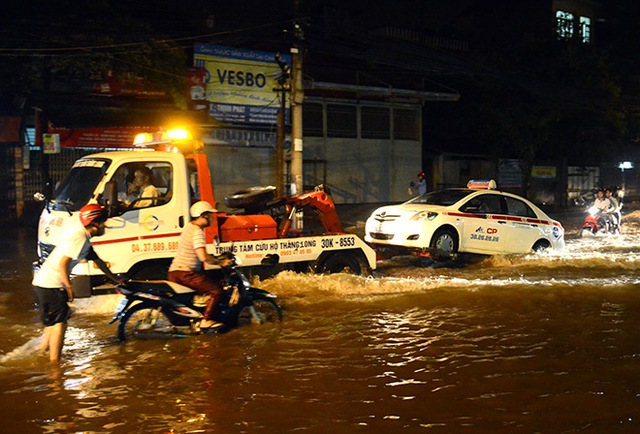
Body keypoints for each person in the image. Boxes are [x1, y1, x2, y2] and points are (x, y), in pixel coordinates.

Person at [32, 204, 118, 362]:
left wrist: (115, 279)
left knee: (51, 323)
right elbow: (63, 264)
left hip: (41, 283)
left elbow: (97, 259)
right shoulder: (80, 238)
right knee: (60, 323)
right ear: (95, 224)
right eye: (103, 222)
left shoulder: (82, 236)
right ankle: (54, 366)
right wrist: (69, 288)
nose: (104, 225)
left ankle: (40, 353)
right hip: (52, 284)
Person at [168, 201, 232, 329]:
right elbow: (202, 257)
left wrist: (214, 257)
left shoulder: (189, 227)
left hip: (175, 272)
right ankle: (205, 320)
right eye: (210, 215)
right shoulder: (197, 232)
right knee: (216, 291)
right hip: (186, 273)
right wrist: (220, 262)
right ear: (203, 216)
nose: (212, 218)